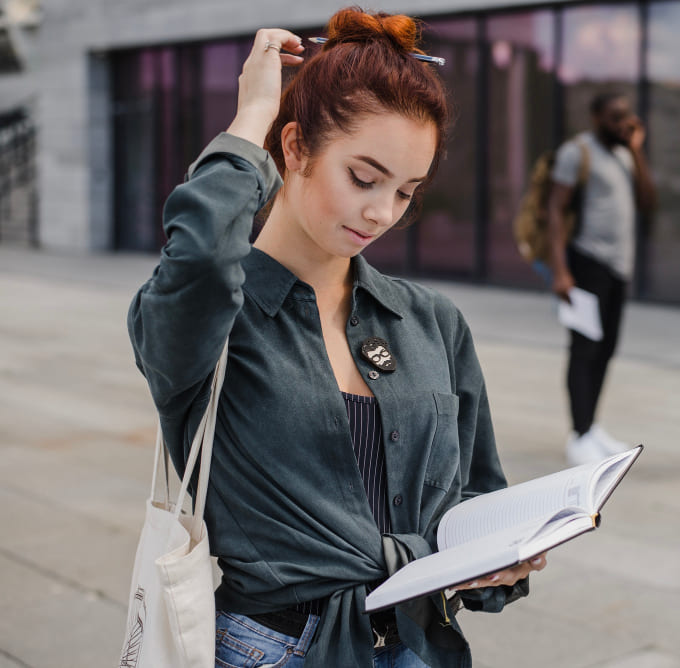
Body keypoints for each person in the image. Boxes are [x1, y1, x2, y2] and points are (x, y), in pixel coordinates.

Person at [126, 9, 545, 668]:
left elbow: (474, 492)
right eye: (363, 177)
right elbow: (203, 257)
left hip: (420, 646)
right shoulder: (211, 320)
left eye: (406, 191)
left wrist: (501, 555)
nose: (382, 213)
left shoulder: (431, 320)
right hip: (273, 649)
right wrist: (252, 117)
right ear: (294, 148)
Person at [546, 92, 656, 466]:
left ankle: (591, 427)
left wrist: (638, 150)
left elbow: (648, 202)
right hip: (587, 264)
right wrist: (560, 271)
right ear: (595, 117)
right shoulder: (577, 152)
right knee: (584, 349)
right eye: (614, 117)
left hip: (618, 269)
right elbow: (555, 212)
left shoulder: (626, 154)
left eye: (626, 116)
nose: (622, 123)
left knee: (606, 350)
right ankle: (578, 435)